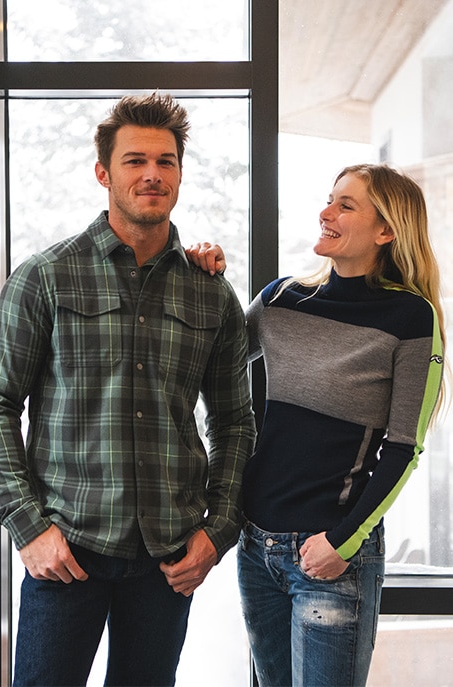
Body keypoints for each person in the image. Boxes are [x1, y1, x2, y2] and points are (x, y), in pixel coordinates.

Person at [0, 92, 256, 687]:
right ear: (104, 172)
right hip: (66, 550)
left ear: (179, 172)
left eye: (166, 161)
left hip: (170, 560)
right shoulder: (44, 276)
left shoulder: (211, 293)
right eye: (134, 161)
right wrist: (28, 527)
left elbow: (234, 422)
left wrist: (219, 528)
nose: (152, 174)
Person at [187, 163, 445, 686]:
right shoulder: (282, 299)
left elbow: (403, 449)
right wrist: (203, 279)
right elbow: (214, 358)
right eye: (329, 199)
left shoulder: (412, 319)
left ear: (386, 230)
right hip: (258, 547)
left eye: (345, 205)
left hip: (331, 556)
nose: (326, 213)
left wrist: (343, 542)